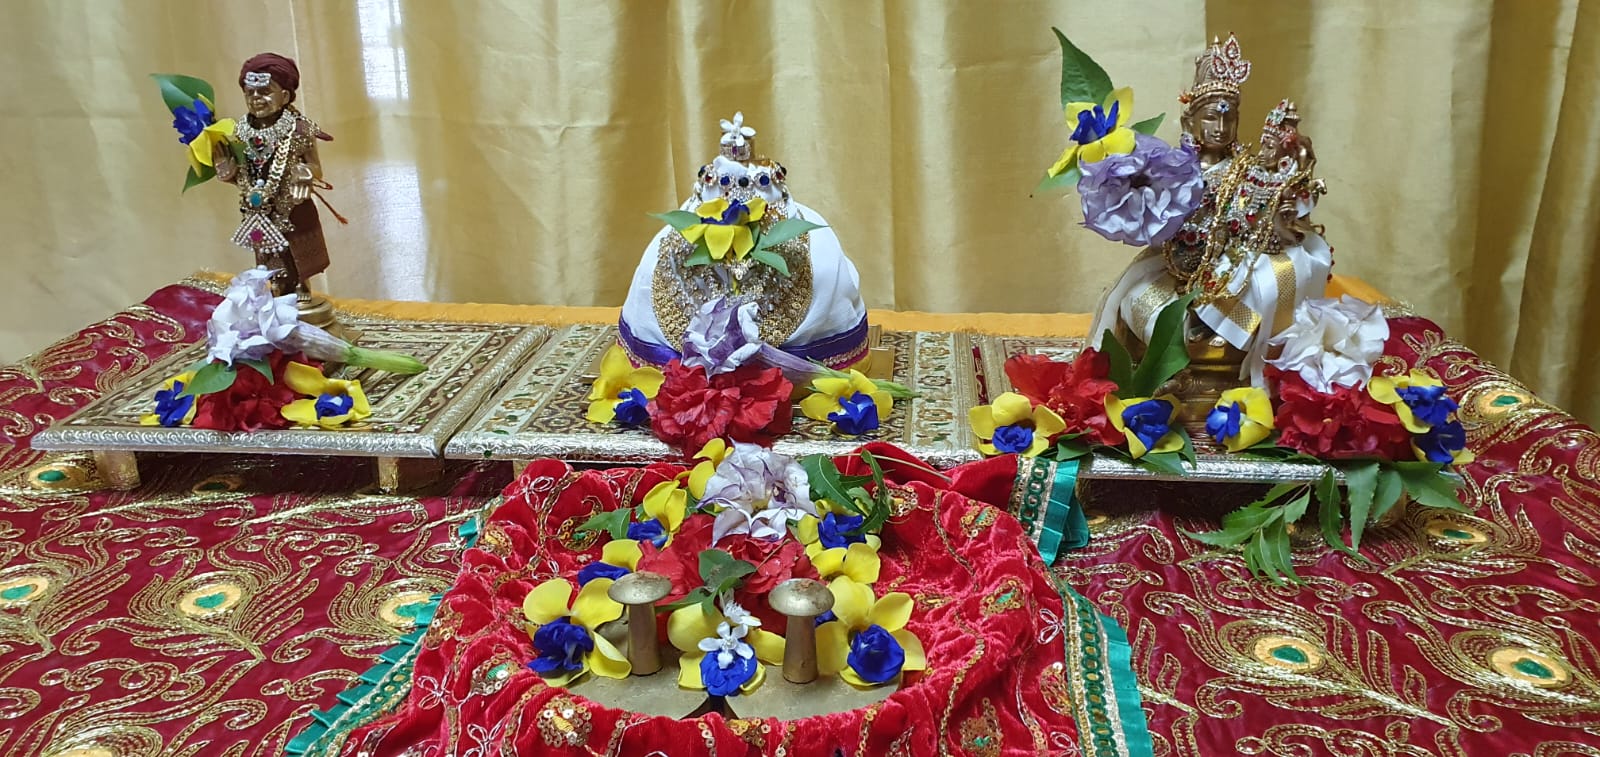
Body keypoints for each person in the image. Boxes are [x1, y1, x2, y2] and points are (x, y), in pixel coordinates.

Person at [212, 53, 333, 302]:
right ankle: (276, 285)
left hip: (292, 204)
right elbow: (245, 172)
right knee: (266, 251)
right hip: (259, 207)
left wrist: (305, 174)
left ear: (285, 96)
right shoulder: (240, 130)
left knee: (295, 247)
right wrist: (228, 172)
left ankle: (301, 285)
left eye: (265, 91)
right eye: (250, 93)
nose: (256, 98)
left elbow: (316, 167)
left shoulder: (300, 129)